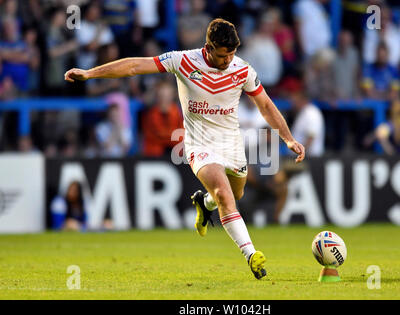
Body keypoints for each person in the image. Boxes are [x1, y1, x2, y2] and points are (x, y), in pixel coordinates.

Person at [64, 18, 305, 280]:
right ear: (208, 47)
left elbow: (266, 105)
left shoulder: (242, 69)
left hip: (231, 144)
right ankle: (251, 255)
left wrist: (288, 138)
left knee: (235, 194)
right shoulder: (183, 61)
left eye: (232, 54)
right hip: (199, 144)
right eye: (223, 55)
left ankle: (204, 203)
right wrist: (89, 73)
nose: (228, 61)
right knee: (225, 195)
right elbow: (134, 66)